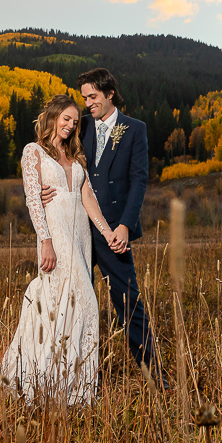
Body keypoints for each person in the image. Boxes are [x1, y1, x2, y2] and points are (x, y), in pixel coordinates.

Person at [0, 94, 121, 405]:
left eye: (75, 122)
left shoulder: (75, 157)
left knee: (79, 304)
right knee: (67, 299)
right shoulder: (32, 152)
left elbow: (89, 201)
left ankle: (74, 386)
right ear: (52, 117)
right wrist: (45, 241)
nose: (70, 125)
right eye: (66, 119)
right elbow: (34, 199)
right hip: (55, 235)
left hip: (80, 237)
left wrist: (108, 232)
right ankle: (45, 381)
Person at [41, 67, 160, 380]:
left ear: (109, 94)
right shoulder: (80, 127)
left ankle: (153, 373)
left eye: (92, 97)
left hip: (113, 232)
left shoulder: (135, 129)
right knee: (69, 300)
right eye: (84, 98)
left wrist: (124, 225)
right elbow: (54, 160)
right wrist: (43, 186)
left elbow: (138, 180)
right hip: (75, 229)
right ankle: (64, 373)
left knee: (128, 300)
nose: (87, 103)